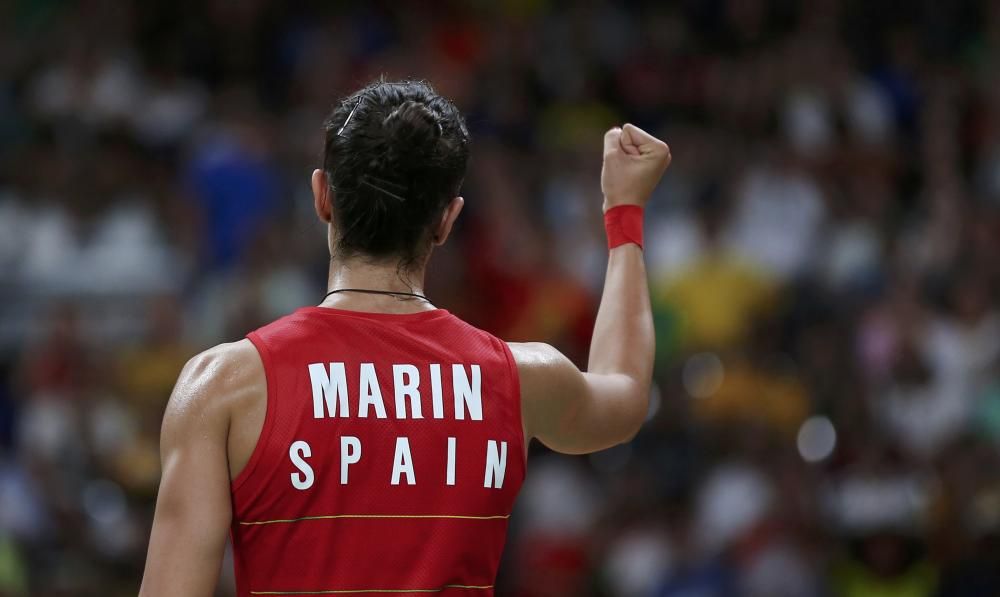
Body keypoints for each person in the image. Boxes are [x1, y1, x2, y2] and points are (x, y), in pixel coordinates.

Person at [139, 80, 671, 596]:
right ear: (446, 219)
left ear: (322, 195)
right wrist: (623, 214)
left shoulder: (224, 385)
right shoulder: (518, 377)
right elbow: (623, 390)